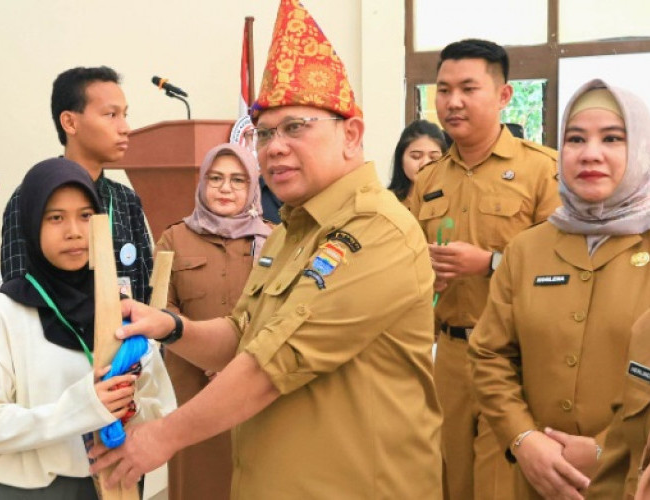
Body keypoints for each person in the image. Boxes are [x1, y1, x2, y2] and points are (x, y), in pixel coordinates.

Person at [90, 1, 442, 498]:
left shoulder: (378, 231)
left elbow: (269, 366)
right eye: (265, 132)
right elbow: (244, 334)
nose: (274, 147)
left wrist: (160, 438)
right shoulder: (287, 231)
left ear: (351, 134)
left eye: (295, 127)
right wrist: (170, 326)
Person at [469, 79, 650, 500]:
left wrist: (608, 448)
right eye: (575, 138)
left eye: (612, 138)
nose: (591, 153)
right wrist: (523, 439)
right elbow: (489, 353)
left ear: (641, 148)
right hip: (535, 481)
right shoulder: (526, 249)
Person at [0, 157, 176, 499]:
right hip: (31, 491)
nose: (74, 231)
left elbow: (159, 403)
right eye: (55, 217)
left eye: (86, 216)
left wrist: (131, 410)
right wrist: (80, 407)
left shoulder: (120, 308)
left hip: (115, 485)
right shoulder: (3, 313)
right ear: (30, 223)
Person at [409, 38, 560, 500]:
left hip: (519, 358)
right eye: (443, 90)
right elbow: (411, 259)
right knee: (447, 481)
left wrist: (490, 264)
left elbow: (563, 270)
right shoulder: (429, 180)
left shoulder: (543, 171)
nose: (452, 102)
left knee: (504, 485)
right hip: (449, 356)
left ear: (503, 95)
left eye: (468, 88)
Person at [156, 142, 271, 500]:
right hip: (191, 385)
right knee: (198, 481)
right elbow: (162, 309)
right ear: (202, 182)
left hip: (256, 379)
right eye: (216, 178)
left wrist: (236, 365)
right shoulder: (174, 237)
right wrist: (205, 354)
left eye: (238, 180)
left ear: (253, 186)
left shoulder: (274, 239)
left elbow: (280, 310)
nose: (225, 188)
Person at [0, 66, 153, 303]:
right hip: (56, 336)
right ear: (70, 123)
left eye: (125, 115)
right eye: (111, 115)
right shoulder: (32, 197)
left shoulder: (126, 199)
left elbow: (144, 289)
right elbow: (19, 291)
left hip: (126, 337)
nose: (125, 128)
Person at [387, 119, 446, 203]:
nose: (425, 163)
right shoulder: (387, 202)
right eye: (416, 157)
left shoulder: (453, 200)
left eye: (434, 158)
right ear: (401, 158)